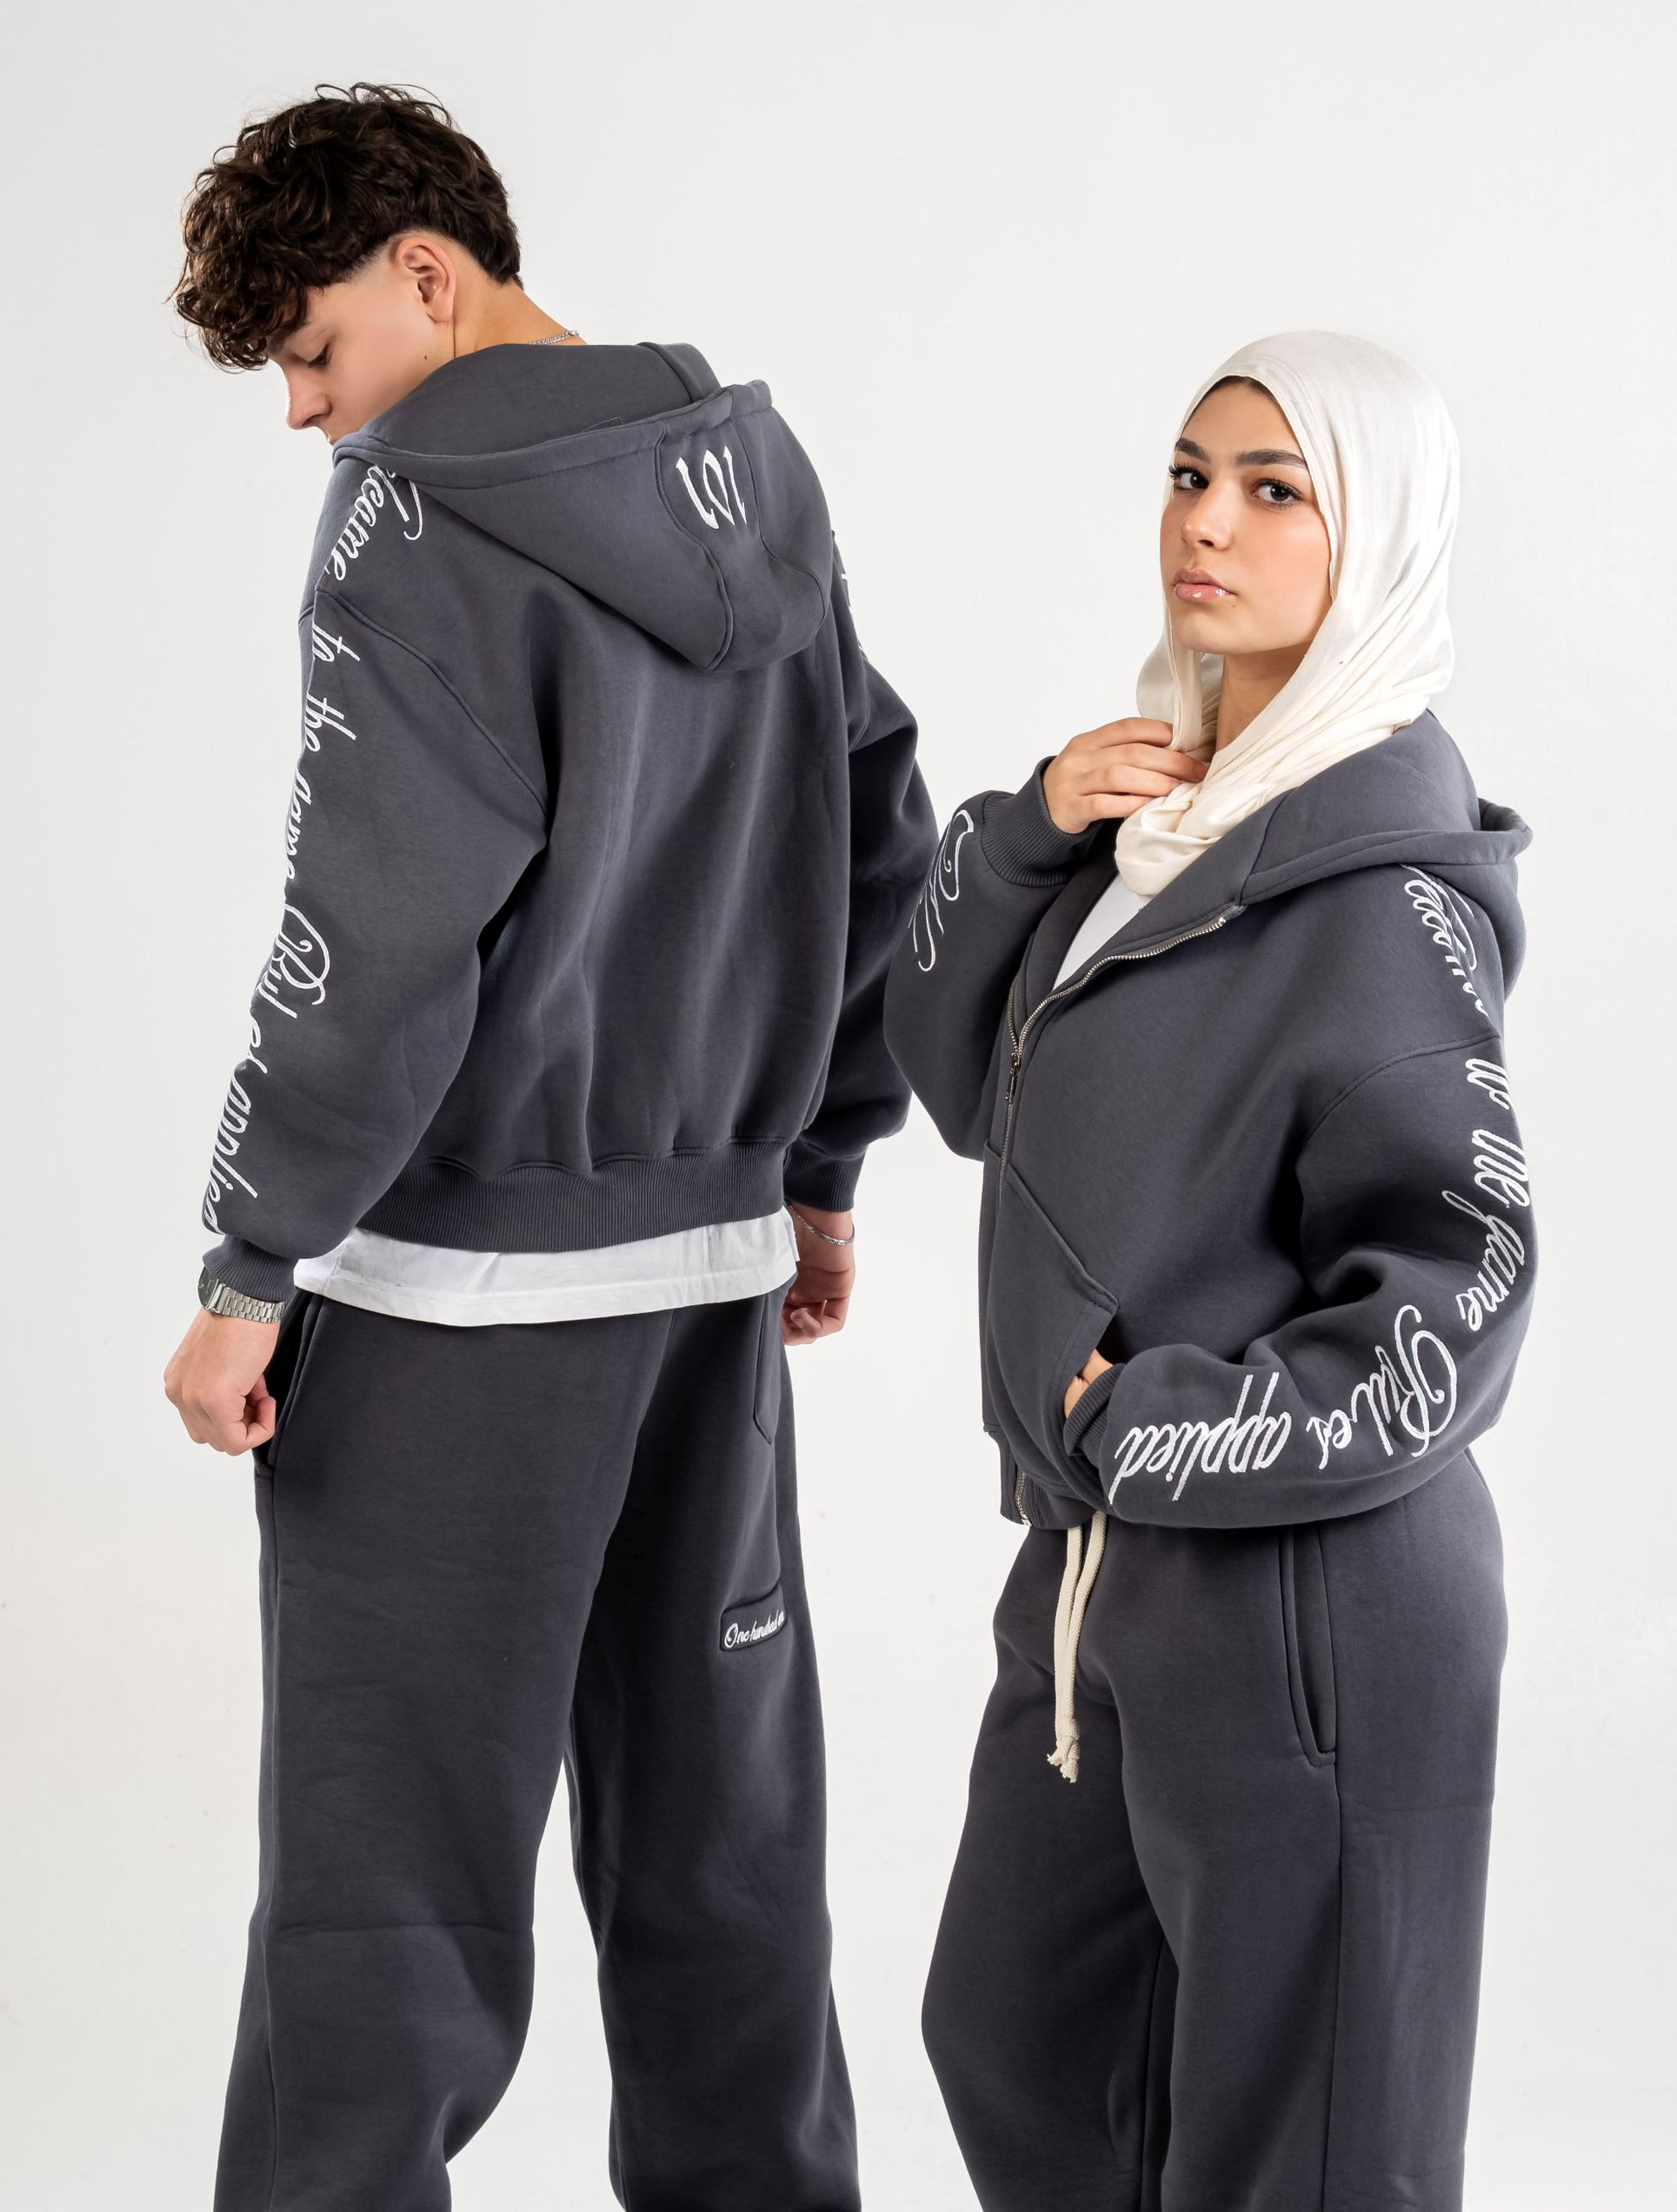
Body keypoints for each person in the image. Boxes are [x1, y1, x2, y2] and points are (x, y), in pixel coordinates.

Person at [161, 83, 935, 2212]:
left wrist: (249, 1262)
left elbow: (372, 937)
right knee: (724, 1856)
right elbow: (875, 823)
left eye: (313, 349)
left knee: (383, 1900)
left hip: (453, 1308)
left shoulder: (413, 518)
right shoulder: (757, 469)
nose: (307, 413)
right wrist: (820, 1159)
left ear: (429, 274)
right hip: (707, 1280)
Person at [882, 329, 1538, 2210]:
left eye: (1273, 490)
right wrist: (1028, 834)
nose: (1205, 525)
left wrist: (1154, 1421)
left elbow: (1464, 1286)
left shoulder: (1382, 894)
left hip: (1307, 1591)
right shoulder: (1157, 832)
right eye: (1187, 475)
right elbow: (956, 1078)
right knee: (1016, 2040)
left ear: (1376, 537)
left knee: (1298, 2157)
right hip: (1103, 1572)